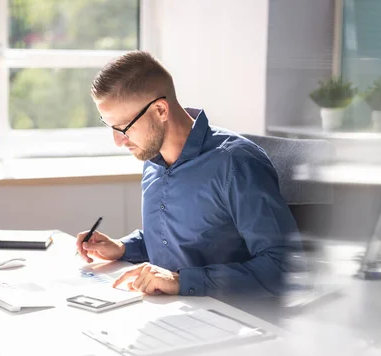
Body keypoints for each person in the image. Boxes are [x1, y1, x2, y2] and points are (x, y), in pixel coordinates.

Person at [75, 51, 303, 298]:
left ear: (161, 110)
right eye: (111, 127)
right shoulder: (152, 158)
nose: (118, 141)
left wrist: (181, 281)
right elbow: (178, 242)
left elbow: (286, 268)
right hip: (171, 310)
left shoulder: (237, 163)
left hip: (235, 319)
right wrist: (123, 248)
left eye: (124, 128)